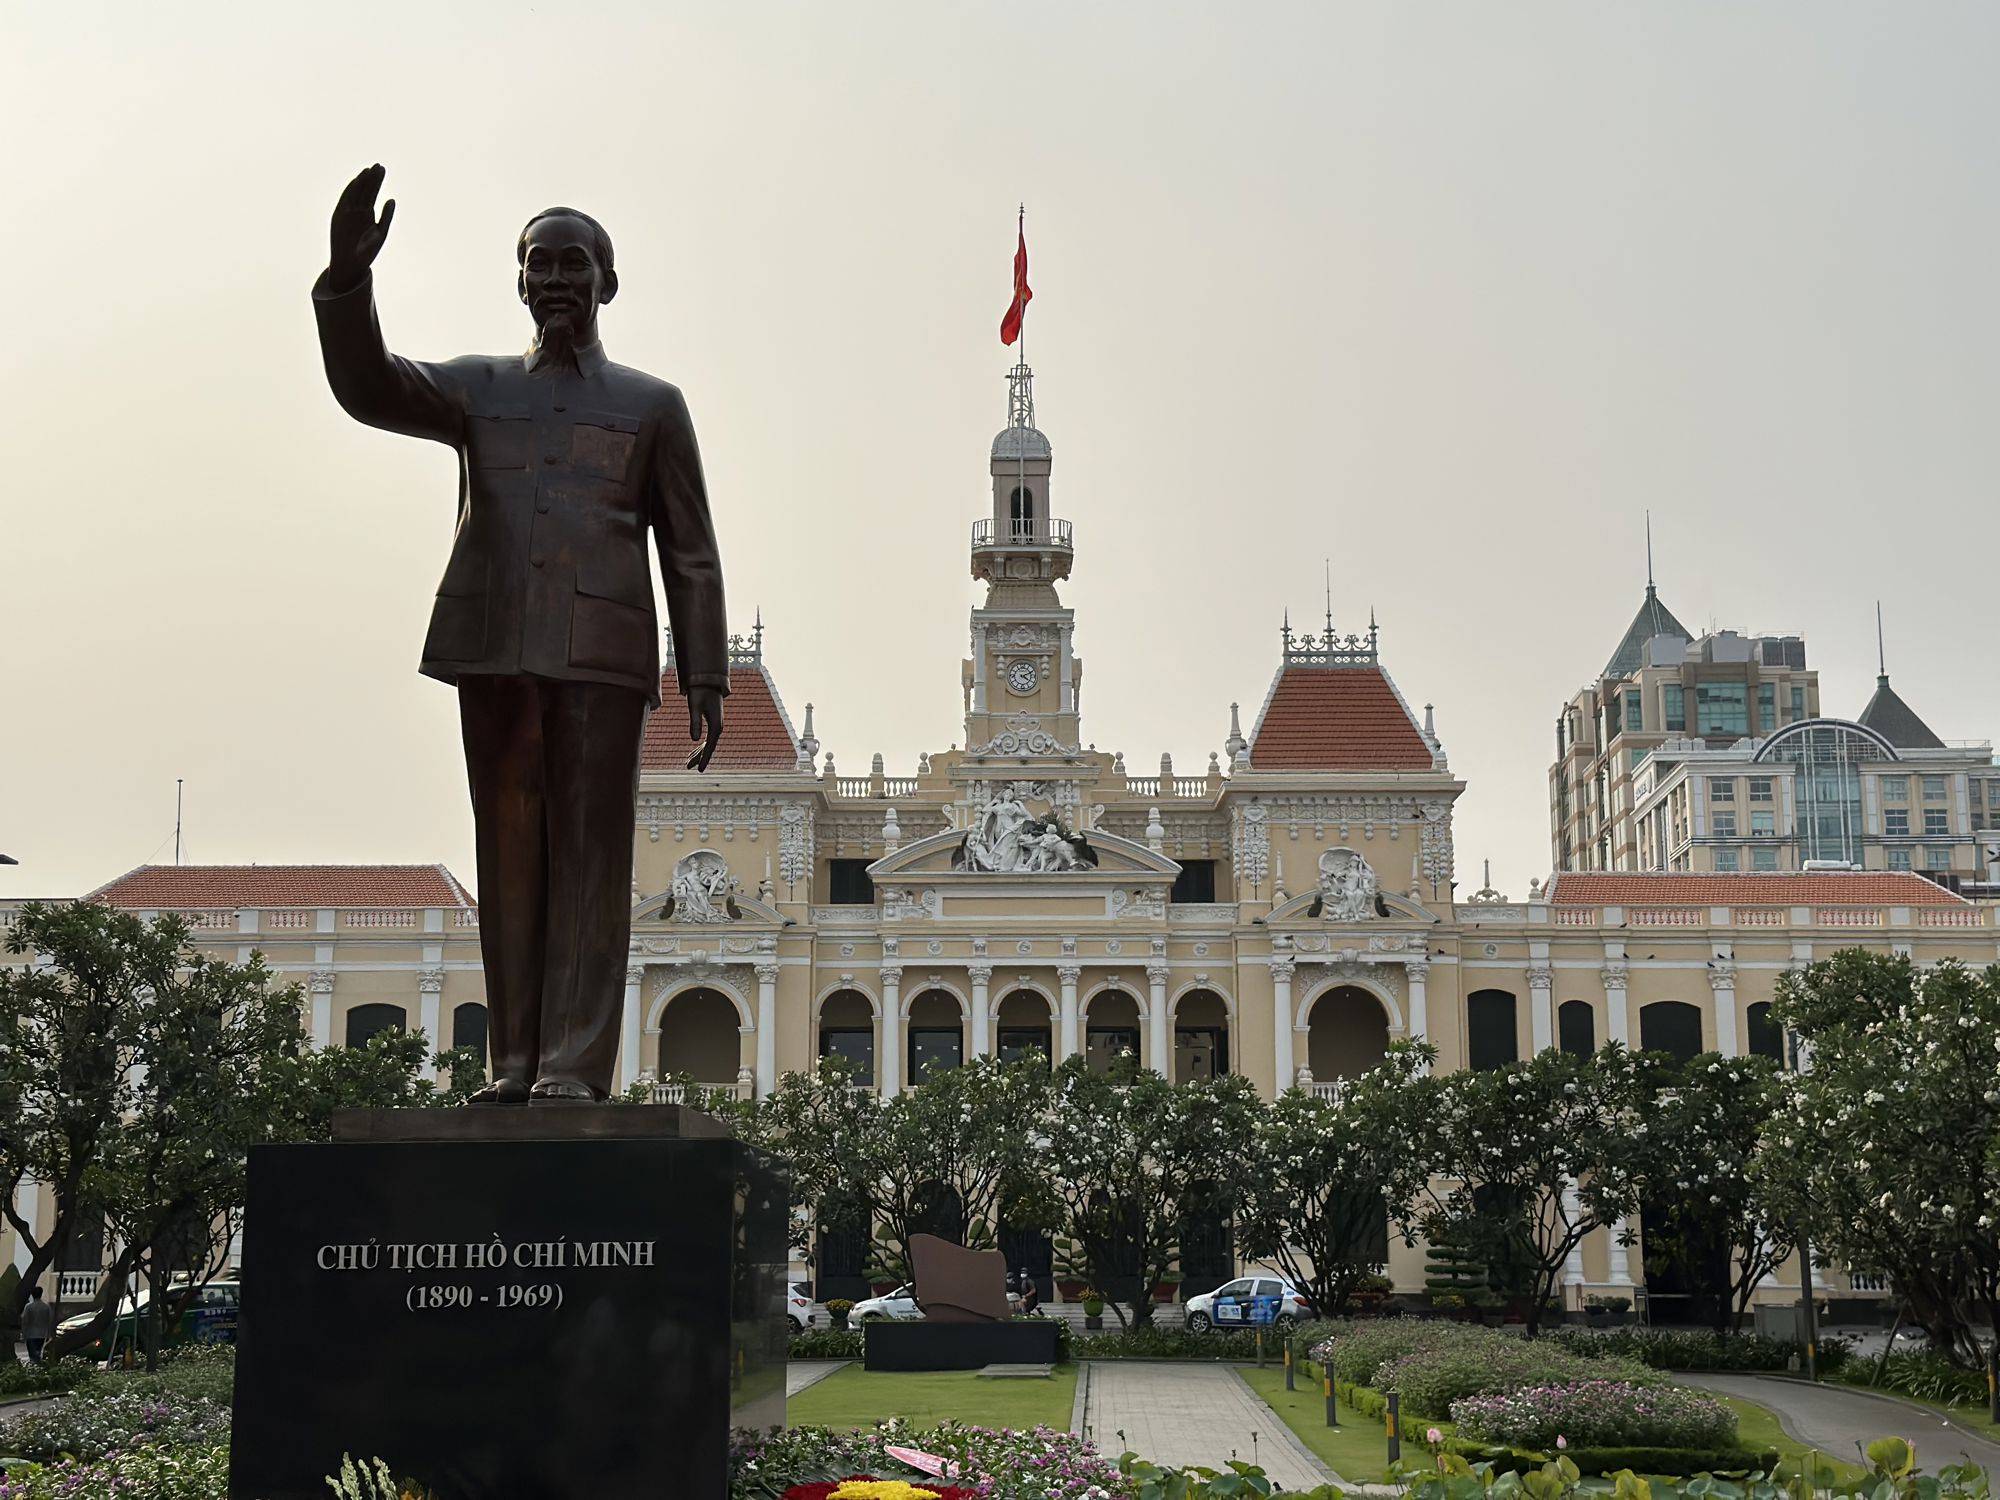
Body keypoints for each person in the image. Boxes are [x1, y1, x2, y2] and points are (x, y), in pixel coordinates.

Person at [312, 166, 729, 1102]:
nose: (555, 280)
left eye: (573, 264)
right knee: (508, 860)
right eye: (539, 264)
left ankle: (573, 1067)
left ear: (606, 282)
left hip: (603, 659)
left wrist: (704, 674)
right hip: (495, 647)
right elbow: (369, 386)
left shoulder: (652, 404)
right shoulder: (477, 389)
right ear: (519, 282)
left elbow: (690, 548)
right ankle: (512, 1065)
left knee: (590, 863)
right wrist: (347, 280)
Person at [20, 1286, 53, 1365]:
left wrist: (23, 1334)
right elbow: (50, 1321)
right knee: (38, 1351)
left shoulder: (28, 1307)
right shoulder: (46, 1307)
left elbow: (25, 1321)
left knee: (32, 1354)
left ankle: (35, 1366)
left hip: (30, 1334)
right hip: (42, 1334)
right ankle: (38, 1365)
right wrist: (49, 1334)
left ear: (32, 1295)